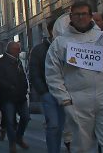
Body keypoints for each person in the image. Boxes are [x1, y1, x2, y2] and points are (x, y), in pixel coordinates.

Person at [46, 1, 103, 153]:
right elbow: (53, 74)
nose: (80, 17)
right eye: (76, 14)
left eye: (84, 14)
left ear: (90, 16)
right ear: (70, 17)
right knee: (82, 146)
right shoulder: (60, 43)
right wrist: (64, 100)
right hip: (78, 100)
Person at [29, 18, 64, 153]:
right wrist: (44, 92)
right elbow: (34, 72)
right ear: (51, 31)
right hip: (49, 93)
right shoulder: (39, 50)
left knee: (70, 126)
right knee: (54, 125)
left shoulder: (68, 46)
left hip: (68, 92)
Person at [0, 41, 30, 153]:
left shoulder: (18, 61)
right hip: (8, 97)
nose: (18, 51)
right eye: (16, 49)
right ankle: (12, 143)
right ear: (10, 49)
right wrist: (9, 87)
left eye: (19, 49)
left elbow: (23, 77)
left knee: (25, 117)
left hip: (21, 96)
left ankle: (19, 137)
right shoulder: (0, 62)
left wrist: (24, 88)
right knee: (10, 122)